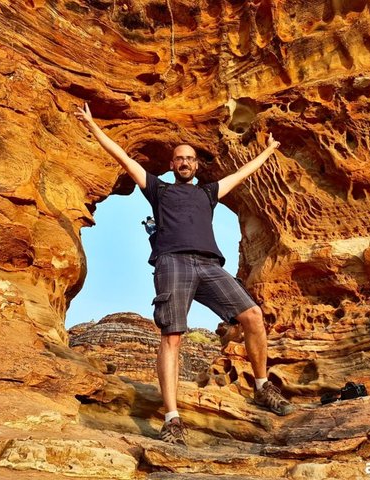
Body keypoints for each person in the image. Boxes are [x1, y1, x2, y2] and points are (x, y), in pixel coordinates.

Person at [74, 101, 294, 447]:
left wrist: (267, 152)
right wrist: (93, 126)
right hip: (172, 263)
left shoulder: (208, 193)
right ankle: (173, 418)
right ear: (172, 165)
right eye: (179, 158)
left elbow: (242, 174)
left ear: (196, 164)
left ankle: (263, 386)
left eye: (190, 158)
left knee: (252, 315)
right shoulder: (158, 190)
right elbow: (123, 158)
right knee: (173, 336)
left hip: (209, 265)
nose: (185, 162)